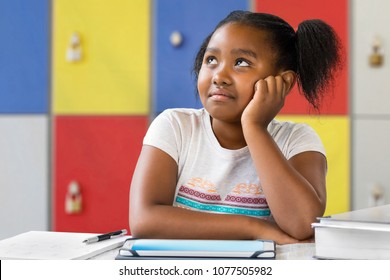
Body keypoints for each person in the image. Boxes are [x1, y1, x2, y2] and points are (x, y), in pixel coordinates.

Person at [129, 10, 342, 244]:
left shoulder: (297, 140)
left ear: (283, 82)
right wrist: (252, 227)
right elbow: (144, 220)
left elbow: (302, 224)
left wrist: (254, 127)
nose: (219, 76)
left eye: (241, 62)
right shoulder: (175, 127)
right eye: (211, 60)